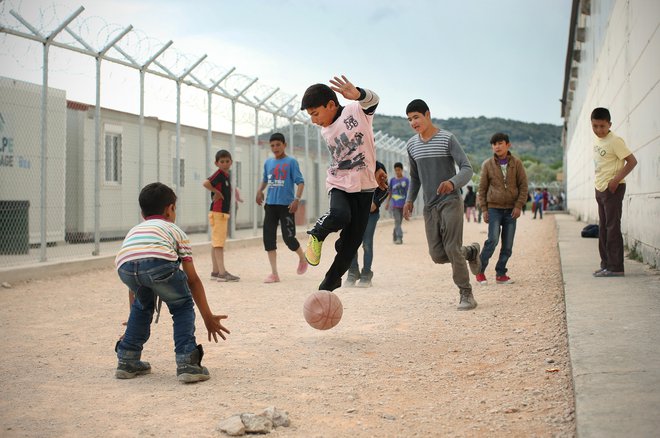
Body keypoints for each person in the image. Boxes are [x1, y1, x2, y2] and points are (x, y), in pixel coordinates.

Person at [114, 182, 230, 383]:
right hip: (159, 264)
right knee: (182, 305)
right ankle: (187, 362)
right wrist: (207, 316)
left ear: (143, 213)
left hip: (124, 267)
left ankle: (127, 359)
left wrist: (133, 312)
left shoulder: (135, 231)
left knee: (142, 306)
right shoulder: (174, 230)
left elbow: (136, 276)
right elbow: (192, 279)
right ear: (170, 209)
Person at [300, 75, 388, 291]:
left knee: (351, 244)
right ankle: (318, 233)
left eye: (315, 113)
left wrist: (358, 94)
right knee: (340, 215)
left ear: (331, 105)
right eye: (311, 115)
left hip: (365, 186)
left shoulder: (355, 111)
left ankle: (328, 285)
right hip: (339, 182)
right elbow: (348, 154)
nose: (314, 120)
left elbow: (374, 102)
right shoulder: (325, 130)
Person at [402, 99, 481, 311]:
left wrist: (452, 182)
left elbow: (467, 168)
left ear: (427, 114)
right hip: (430, 206)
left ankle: (466, 293)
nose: (413, 122)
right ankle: (471, 252)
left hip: (451, 201)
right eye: (409, 119)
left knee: (452, 248)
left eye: (416, 117)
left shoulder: (447, 139)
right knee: (438, 255)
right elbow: (415, 177)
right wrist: (410, 199)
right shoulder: (411, 145)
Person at [475, 133, 529, 285]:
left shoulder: (517, 164)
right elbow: (482, 188)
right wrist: (484, 209)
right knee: (492, 240)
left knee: (508, 245)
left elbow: (523, 186)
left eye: (500, 143)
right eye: (494, 144)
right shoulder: (487, 164)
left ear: (508, 145)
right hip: (494, 209)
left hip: (511, 210)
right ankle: (479, 270)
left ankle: (501, 273)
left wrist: (519, 205)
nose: (497, 147)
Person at [591, 107, 638, 277]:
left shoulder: (615, 140)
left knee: (612, 227)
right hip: (600, 188)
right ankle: (606, 265)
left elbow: (632, 161)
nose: (598, 130)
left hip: (613, 189)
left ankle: (616, 267)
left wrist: (615, 180)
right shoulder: (597, 141)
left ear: (609, 124)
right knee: (603, 228)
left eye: (602, 126)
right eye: (595, 126)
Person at [256, 132, 308, 283]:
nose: (275, 147)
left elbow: (300, 182)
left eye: (278, 144)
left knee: (289, 238)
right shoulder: (268, 163)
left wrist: (297, 199)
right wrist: (260, 191)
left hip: (286, 206)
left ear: (284, 145)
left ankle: (302, 257)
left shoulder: (291, 162)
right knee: (269, 238)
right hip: (270, 205)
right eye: (272, 145)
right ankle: (274, 274)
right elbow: (265, 180)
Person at [345, 161, 388, 288]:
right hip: (353, 212)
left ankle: (366, 273)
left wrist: (376, 202)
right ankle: (353, 272)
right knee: (351, 242)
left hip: (370, 214)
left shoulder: (378, 166)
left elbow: (385, 189)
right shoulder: (351, 164)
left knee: (367, 243)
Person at [203, 149, 240, 282]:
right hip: (218, 213)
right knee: (219, 244)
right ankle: (222, 273)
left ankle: (215, 271)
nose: (225, 163)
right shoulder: (218, 174)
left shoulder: (225, 175)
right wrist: (215, 192)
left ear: (231, 162)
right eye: (222, 161)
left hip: (221, 213)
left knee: (216, 242)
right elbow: (206, 183)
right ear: (216, 163)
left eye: (227, 161)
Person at [385, 162, 409, 244]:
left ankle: (395, 235)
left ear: (402, 170)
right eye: (396, 170)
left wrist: (409, 203)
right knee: (397, 221)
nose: (397, 172)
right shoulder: (392, 180)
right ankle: (399, 238)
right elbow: (390, 192)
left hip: (403, 204)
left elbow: (408, 192)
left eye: (399, 170)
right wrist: (387, 203)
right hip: (394, 204)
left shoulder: (406, 180)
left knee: (399, 222)